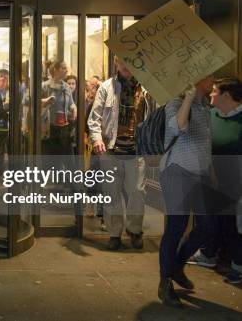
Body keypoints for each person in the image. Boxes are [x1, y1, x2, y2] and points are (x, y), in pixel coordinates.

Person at [157, 75, 215, 307]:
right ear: (198, 79)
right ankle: (165, 282)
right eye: (209, 76)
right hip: (177, 173)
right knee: (176, 227)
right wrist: (188, 99)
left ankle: (177, 265)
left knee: (207, 226)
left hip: (200, 175)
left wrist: (211, 172)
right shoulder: (175, 104)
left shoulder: (206, 107)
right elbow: (178, 128)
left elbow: (205, 142)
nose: (213, 80)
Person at [88, 56, 155, 251]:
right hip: (111, 149)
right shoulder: (107, 87)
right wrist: (97, 139)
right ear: (116, 63)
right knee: (111, 194)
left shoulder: (146, 89)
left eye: (131, 61)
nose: (127, 66)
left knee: (137, 192)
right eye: (123, 62)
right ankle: (114, 234)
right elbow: (95, 118)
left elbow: (155, 116)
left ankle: (134, 230)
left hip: (137, 149)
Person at [187, 77, 242, 284]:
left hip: (236, 183)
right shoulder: (211, 115)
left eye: (215, 91)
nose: (210, 94)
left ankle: (238, 266)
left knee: (233, 226)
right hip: (210, 178)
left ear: (226, 96)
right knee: (211, 221)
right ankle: (208, 255)